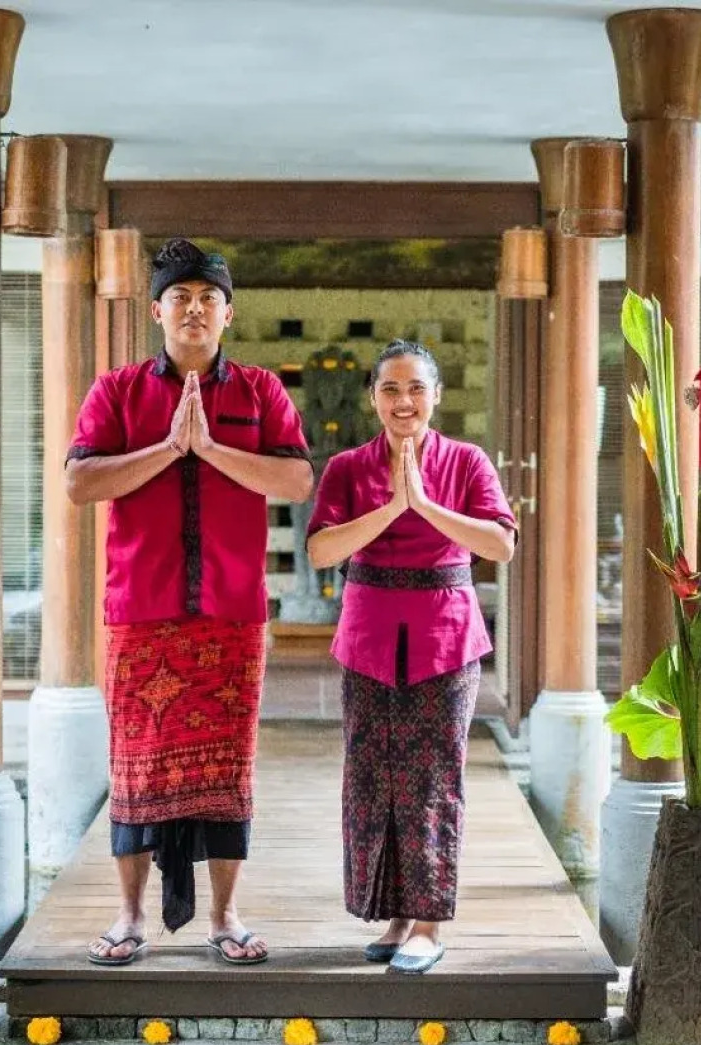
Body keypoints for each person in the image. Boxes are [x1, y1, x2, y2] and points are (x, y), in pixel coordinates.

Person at [65, 238, 313, 967]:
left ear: (228, 314)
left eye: (209, 298)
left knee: (228, 769)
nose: (195, 310)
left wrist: (209, 448)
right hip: (140, 609)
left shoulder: (261, 391)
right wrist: (169, 448)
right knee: (136, 766)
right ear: (157, 311)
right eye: (181, 297)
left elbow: (296, 481)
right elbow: (80, 483)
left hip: (232, 611)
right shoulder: (116, 391)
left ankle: (225, 916)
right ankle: (129, 915)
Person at [306, 340, 516, 975]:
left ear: (436, 396)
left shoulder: (467, 460)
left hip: (444, 638)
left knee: (432, 779)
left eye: (416, 388)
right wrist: (392, 507)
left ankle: (428, 923)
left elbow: (501, 545)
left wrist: (424, 505)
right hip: (368, 636)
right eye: (391, 389)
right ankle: (395, 913)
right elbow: (321, 551)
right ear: (373, 397)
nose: (404, 401)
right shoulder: (346, 468)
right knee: (373, 777)